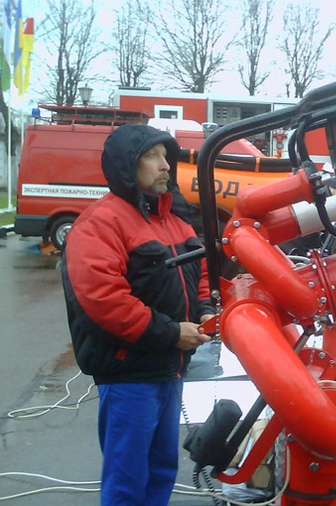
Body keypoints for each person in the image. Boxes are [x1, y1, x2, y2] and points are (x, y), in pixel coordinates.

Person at [61, 124, 216, 504]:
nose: (165, 165)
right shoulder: (101, 223)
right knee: (128, 478)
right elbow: (102, 299)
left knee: (162, 468)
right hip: (130, 374)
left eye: (167, 156)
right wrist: (170, 333)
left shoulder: (175, 220)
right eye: (153, 156)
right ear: (127, 165)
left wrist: (207, 311)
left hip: (170, 368)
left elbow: (201, 273)